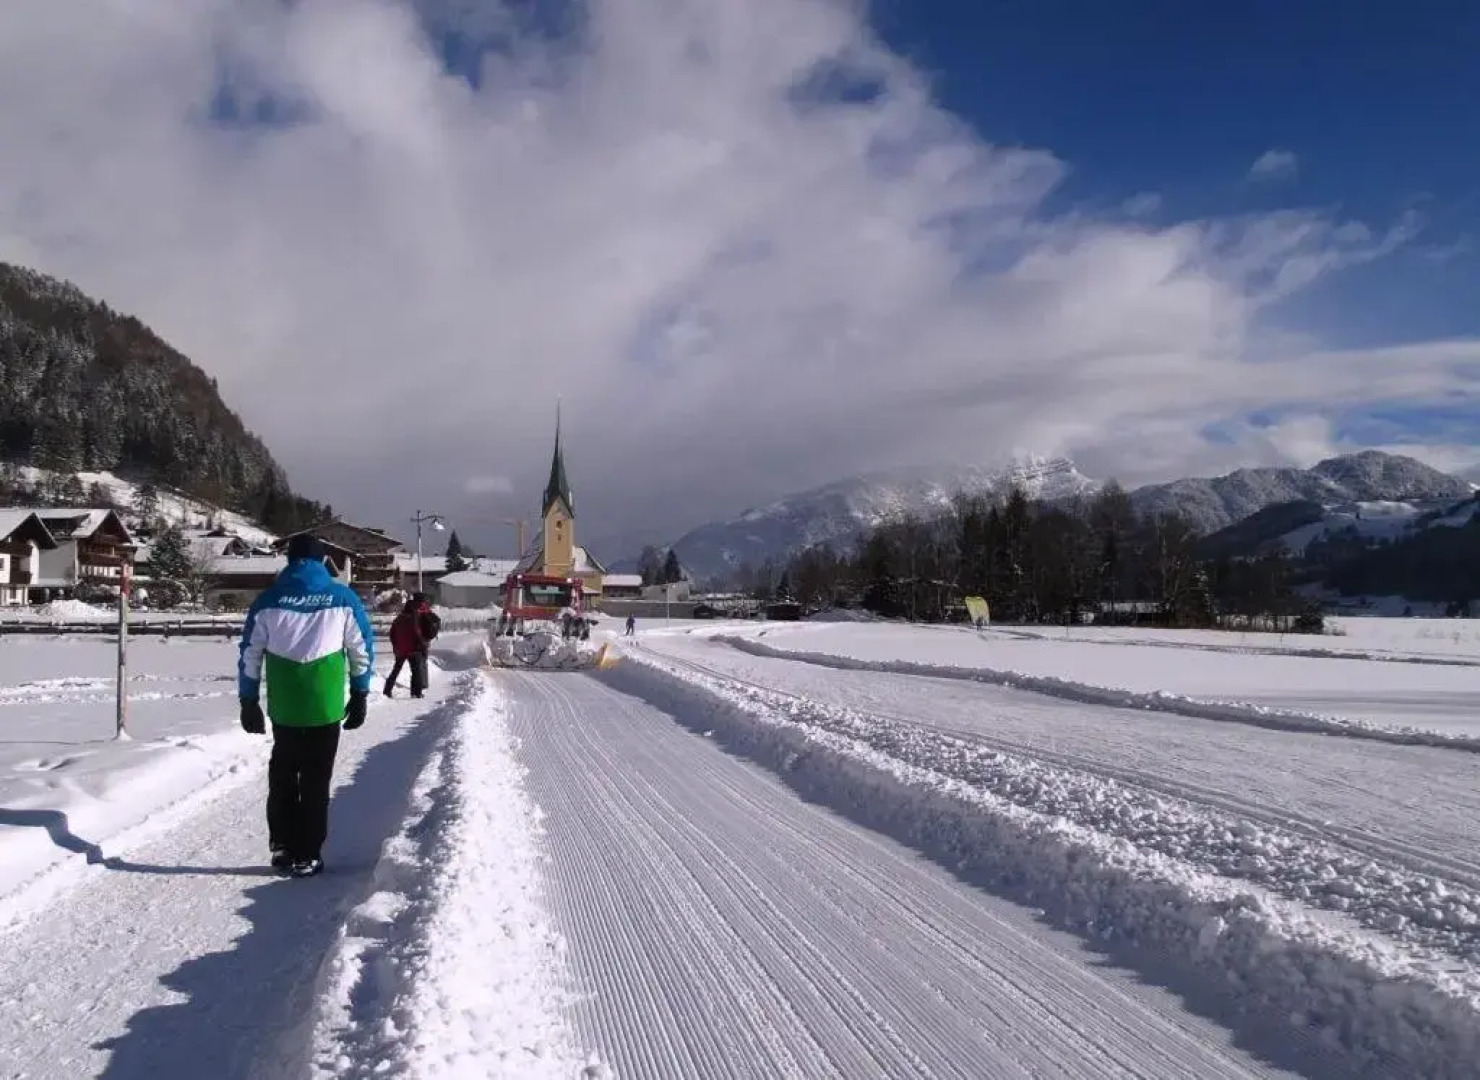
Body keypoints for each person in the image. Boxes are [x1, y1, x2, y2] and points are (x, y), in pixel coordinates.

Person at [238, 534, 374, 878]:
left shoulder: (268, 600)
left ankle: (283, 845)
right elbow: (361, 649)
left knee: (282, 776)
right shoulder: (342, 598)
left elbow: (249, 654)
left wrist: (248, 699)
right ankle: (308, 854)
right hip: (324, 707)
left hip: (285, 706)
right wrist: (360, 693)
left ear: (290, 560)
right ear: (321, 561)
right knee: (316, 780)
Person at [385, 592, 439, 698]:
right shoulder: (418, 612)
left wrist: (395, 645)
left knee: (396, 669)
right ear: (422, 600)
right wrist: (422, 643)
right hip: (413, 647)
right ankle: (416, 693)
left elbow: (392, 632)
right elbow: (416, 631)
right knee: (416, 671)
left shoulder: (402, 614)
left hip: (400, 648)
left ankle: (387, 690)